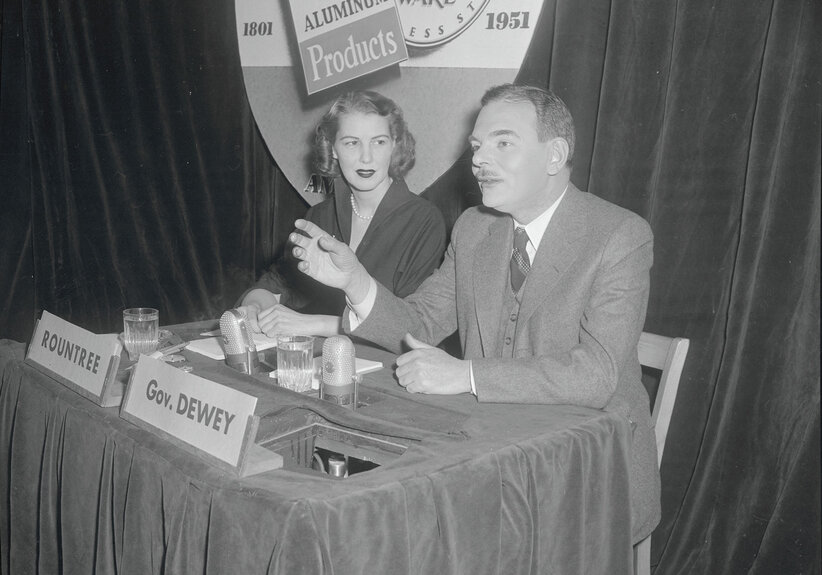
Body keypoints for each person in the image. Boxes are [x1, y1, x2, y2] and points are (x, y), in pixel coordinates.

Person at [288, 84, 660, 542]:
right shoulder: (473, 227)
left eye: (503, 143)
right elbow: (421, 323)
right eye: (477, 147)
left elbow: (597, 374)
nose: (480, 160)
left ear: (554, 154)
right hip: (492, 458)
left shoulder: (618, 234)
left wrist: (465, 376)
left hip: (589, 471)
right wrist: (355, 282)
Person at [238, 90, 446, 337]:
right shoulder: (319, 216)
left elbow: (410, 326)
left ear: (395, 145)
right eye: (351, 142)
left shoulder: (424, 220)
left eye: (378, 141)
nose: (366, 157)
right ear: (333, 148)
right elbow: (280, 282)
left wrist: (310, 324)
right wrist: (255, 306)